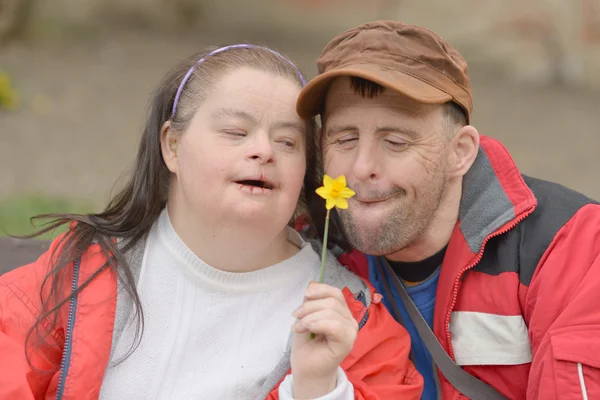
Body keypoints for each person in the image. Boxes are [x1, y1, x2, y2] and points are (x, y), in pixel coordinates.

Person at [0, 44, 424, 399]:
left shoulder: (352, 320)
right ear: (172, 146)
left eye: (287, 141)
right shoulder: (83, 267)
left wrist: (319, 387)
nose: (264, 151)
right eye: (236, 132)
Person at [296, 20, 600, 400]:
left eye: (395, 141)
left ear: (460, 153)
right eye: (344, 139)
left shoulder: (573, 244)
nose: (361, 167)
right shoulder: (307, 251)